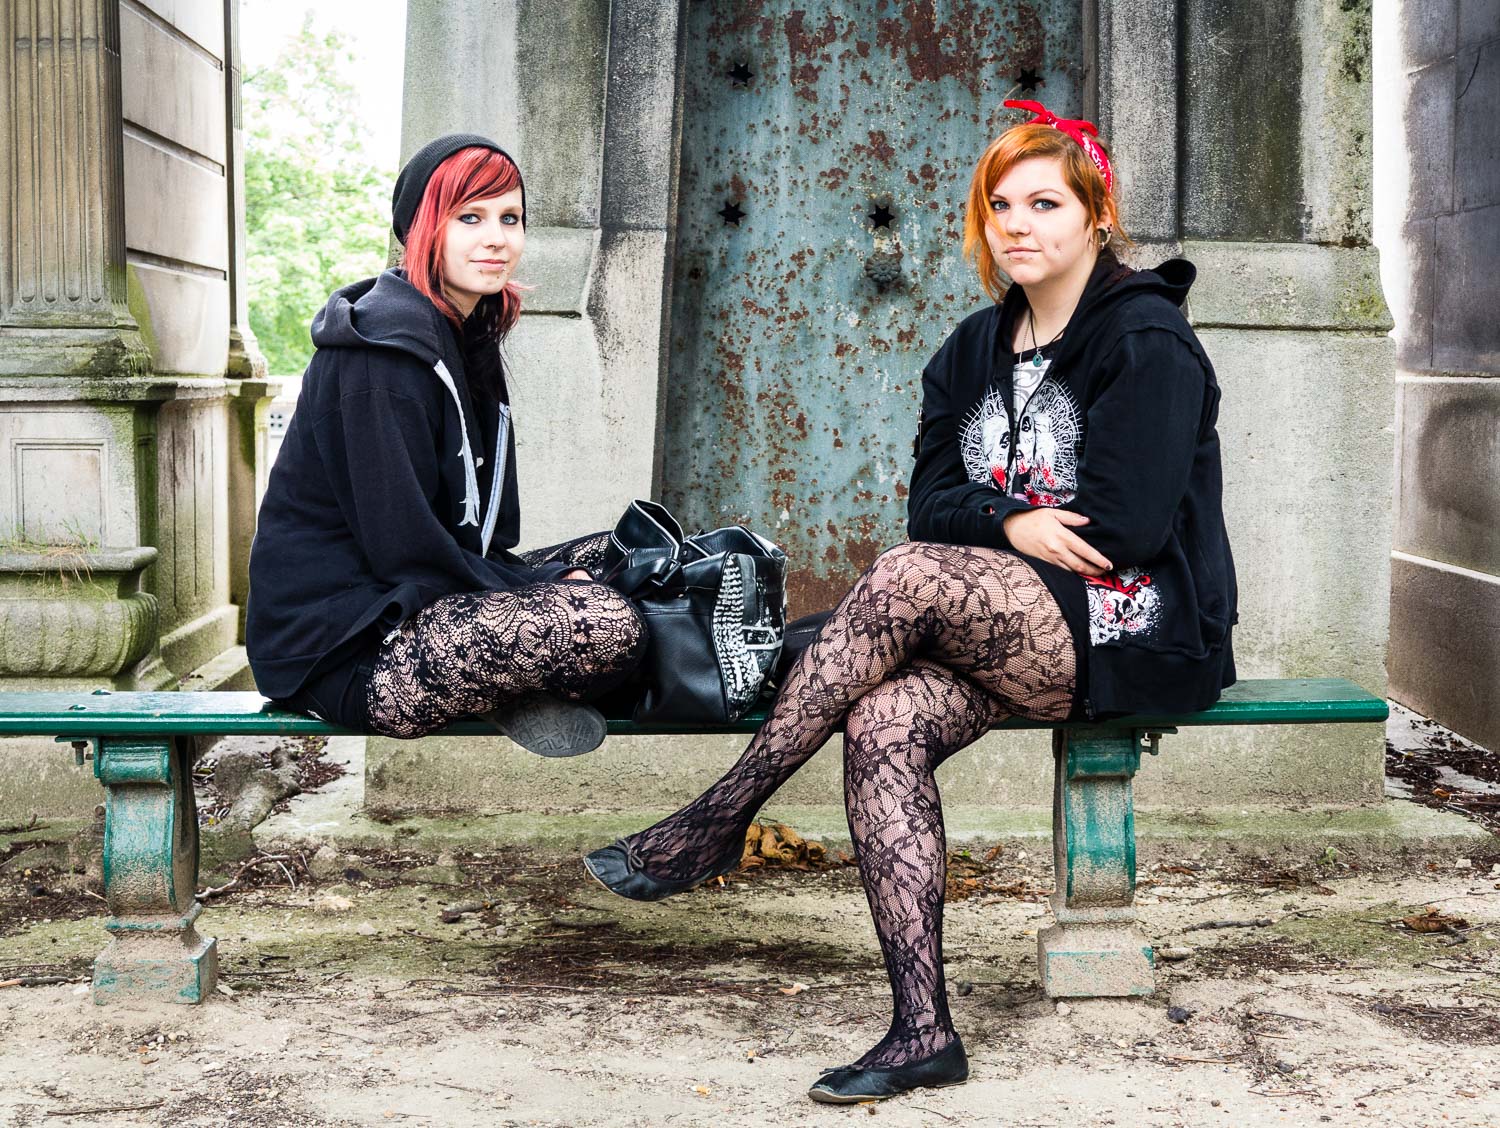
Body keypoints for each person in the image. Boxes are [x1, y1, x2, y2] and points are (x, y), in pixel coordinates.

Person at [584, 101, 1237, 1103]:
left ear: (1097, 216)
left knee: (903, 575)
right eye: (1001, 205)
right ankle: (921, 1029)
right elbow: (931, 500)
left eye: (1046, 203)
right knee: (883, 718)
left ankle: (724, 813)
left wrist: (986, 530)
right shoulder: (972, 349)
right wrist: (1012, 522)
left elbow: (1129, 530)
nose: (1020, 224)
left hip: (1134, 626)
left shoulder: (1146, 339)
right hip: (1014, 621)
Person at [246, 134, 645, 754]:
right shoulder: (382, 357)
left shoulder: (464, 333)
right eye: (470, 217)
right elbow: (408, 549)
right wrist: (546, 594)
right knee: (606, 621)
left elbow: (488, 533)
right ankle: (510, 683)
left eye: (509, 219)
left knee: (628, 555)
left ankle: (505, 683)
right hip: (344, 647)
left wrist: (553, 582)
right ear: (423, 228)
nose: (497, 238)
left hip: (411, 602)